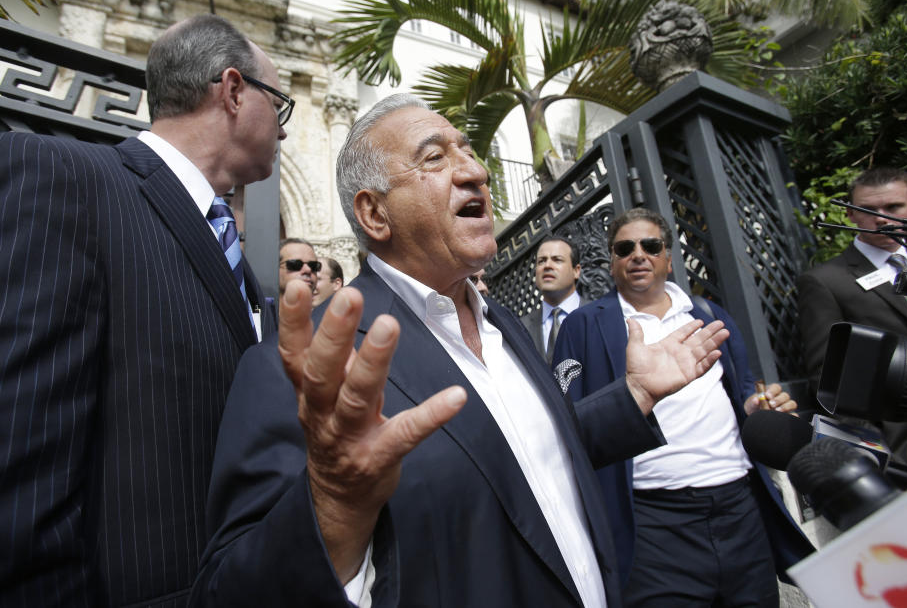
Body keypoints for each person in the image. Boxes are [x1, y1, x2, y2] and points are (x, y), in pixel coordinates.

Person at [191, 94, 730, 607]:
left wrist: (633, 395)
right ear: (375, 215)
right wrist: (334, 506)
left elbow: (522, 461)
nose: (476, 171)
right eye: (434, 157)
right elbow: (231, 590)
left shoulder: (506, 327)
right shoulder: (301, 366)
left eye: (467, 150)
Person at [0, 14, 288, 606]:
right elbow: (21, 457)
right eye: (279, 105)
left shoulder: (240, 261)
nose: (284, 130)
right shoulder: (66, 178)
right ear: (234, 91)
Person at [553, 207, 814, 606]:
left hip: (740, 511)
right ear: (612, 261)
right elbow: (567, 416)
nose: (638, 254)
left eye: (650, 245)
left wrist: (761, 405)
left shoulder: (709, 315)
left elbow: (743, 391)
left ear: (668, 258)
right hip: (652, 524)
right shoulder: (583, 326)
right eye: (625, 248)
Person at [797, 167, 907, 469]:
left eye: (893, 207)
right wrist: (889, 456)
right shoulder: (826, 281)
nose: (881, 218)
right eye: (867, 210)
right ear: (851, 215)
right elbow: (830, 381)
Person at [521, 235, 588, 362]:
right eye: (541, 261)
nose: (547, 266)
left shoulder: (599, 316)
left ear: (576, 271)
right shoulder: (521, 328)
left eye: (557, 260)